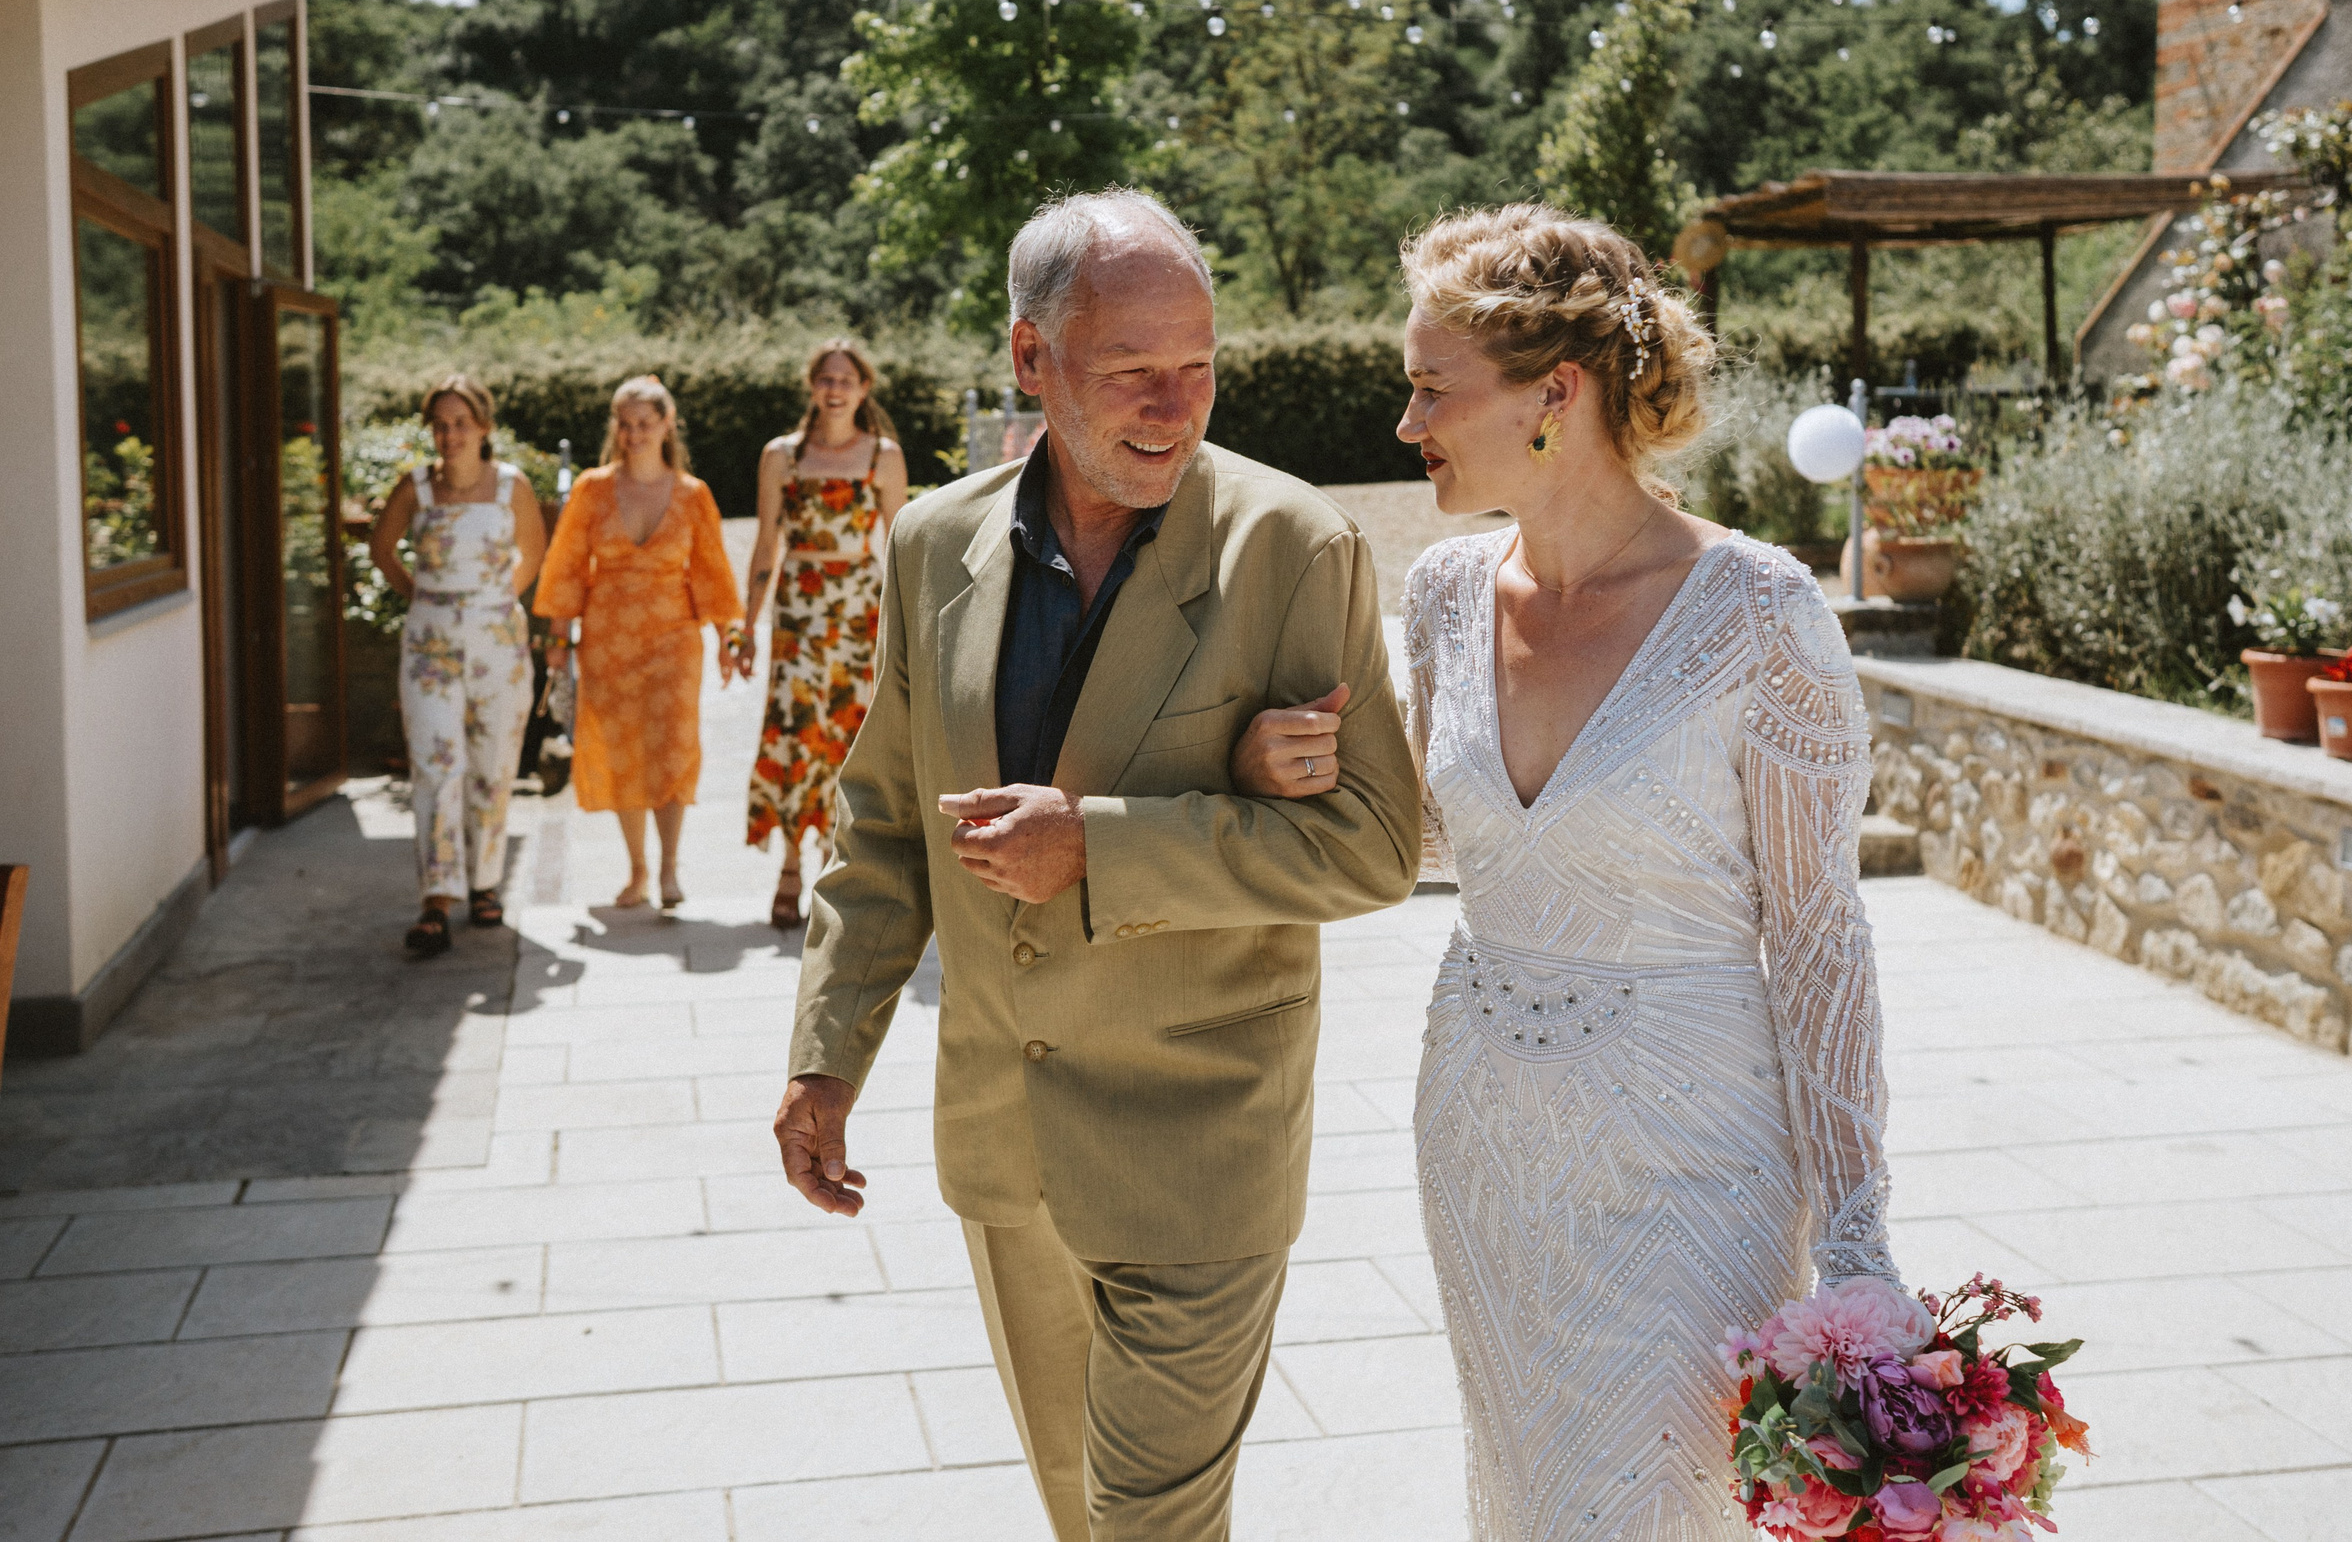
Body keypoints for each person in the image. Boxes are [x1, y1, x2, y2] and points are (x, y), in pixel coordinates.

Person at [1232, 204, 1905, 1539]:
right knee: (1530, 1492)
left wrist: (1857, 1238)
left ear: (1555, 391)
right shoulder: (1442, 592)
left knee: (1659, 1500)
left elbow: (1819, 938)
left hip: (1694, 1149)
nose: (1407, 423)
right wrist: (1285, 769)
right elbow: (1443, 841)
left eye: (1432, 388)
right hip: (1484, 1129)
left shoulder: (1761, 611)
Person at [772, 189, 1421, 1542]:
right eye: (1133, 370)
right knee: (1082, 1517)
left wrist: (1100, 847)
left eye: (1199, 365)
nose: (1174, 406)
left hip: (1204, 1148)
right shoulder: (929, 542)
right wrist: (827, 1055)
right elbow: (883, 825)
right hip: (1003, 1142)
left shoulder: (1295, 544)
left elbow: (1371, 845)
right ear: (1032, 357)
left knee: (1149, 1527)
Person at [532, 375, 745, 910]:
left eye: (645, 423)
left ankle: (669, 868)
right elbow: (566, 567)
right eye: (624, 424)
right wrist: (558, 638)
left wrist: (729, 638)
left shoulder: (693, 494)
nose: (633, 434)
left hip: (675, 641)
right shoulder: (592, 489)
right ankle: (637, 871)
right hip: (607, 641)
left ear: (667, 424)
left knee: (673, 746)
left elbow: (714, 572)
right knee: (622, 750)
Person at [368, 374, 547, 955]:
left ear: (483, 427)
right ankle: (437, 899)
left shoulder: (511, 486)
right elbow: (381, 549)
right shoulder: (416, 488)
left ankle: (486, 881)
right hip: (431, 647)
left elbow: (534, 552)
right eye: (440, 425)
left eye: (461, 424)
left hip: (498, 644)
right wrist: (422, 597)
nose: (450, 436)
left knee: (494, 762)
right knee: (436, 765)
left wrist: (495, 602)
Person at [736, 337, 908, 930]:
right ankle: (789, 865)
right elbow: (766, 544)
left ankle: (837, 866)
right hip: (798, 612)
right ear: (812, 386)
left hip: (860, 612)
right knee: (795, 729)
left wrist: (907, 628)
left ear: (864, 389)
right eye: (826, 380)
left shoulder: (883, 456)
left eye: (846, 381)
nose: (835, 390)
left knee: (851, 736)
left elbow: (899, 547)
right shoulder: (781, 456)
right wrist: (747, 625)